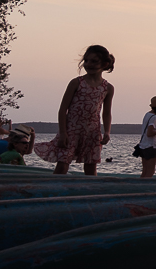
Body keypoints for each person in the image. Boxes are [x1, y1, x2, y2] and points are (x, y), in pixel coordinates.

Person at [34, 44, 116, 175]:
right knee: (63, 163)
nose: (88, 64)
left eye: (94, 61)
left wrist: (107, 131)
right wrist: (63, 133)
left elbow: (106, 113)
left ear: (105, 64)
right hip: (71, 129)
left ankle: (89, 192)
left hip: (92, 131)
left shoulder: (108, 88)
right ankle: (56, 190)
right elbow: (62, 110)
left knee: (91, 165)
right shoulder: (76, 83)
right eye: (86, 61)